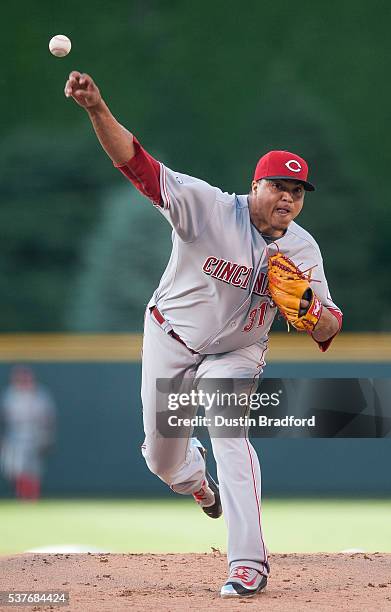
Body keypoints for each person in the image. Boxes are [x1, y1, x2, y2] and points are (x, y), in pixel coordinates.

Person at [64, 71, 342, 598]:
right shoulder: (208, 208)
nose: (288, 197)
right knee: (160, 459)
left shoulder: (302, 249)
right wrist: (98, 110)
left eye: (298, 190)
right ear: (254, 185)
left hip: (236, 353)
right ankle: (193, 481)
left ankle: (247, 564)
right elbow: (138, 166)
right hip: (171, 336)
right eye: (278, 186)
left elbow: (329, 324)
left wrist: (309, 311)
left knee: (229, 431)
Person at [0, 366, 56, 501]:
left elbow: (49, 418)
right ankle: (23, 494)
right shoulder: (9, 395)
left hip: (35, 434)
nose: (24, 381)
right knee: (14, 468)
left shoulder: (41, 395)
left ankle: (32, 497)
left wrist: (48, 437)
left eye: (26, 378)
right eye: (20, 378)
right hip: (15, 435)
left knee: (33, 470)